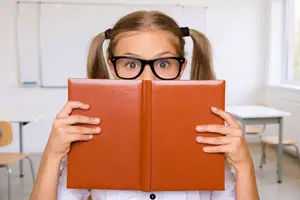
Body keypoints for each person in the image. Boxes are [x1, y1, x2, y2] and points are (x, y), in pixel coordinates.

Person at [29, 11, 259, 200]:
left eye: (163, 63)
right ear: (112, 67)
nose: (147, 78)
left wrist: (244, 165)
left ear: (180, 67)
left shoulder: (205, 132)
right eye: (130, 64)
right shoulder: (90, 130)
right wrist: (52, 154)